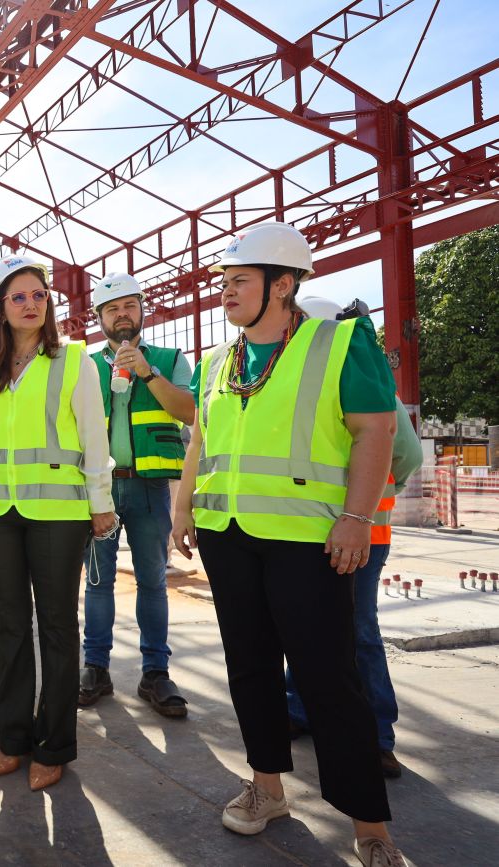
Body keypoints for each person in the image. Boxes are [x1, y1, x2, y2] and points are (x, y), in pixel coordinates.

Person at [171, 222, 411, 866]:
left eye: (239, 281)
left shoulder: (340, 343)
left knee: (329, 677)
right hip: (228, 536)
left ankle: (370, 827)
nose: (225, 292)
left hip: (309, 540)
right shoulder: (218, 362)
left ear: (282, 285)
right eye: (224, 282)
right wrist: (183, 505)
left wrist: (356, 517)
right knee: (249, 667)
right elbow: (202, 440)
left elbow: (376, 430)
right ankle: (267, 789)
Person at [0, 254, 116, 792]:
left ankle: (55, 745)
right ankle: (13, 739)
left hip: (59, 513)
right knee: (10, 626)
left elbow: (94, 434)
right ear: (0, 308)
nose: (31, 304)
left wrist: (100, 501)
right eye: (19, 296)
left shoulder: (74, 361)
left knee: (57, 626)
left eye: (39, 295)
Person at [286, 296, 424, 779]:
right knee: (306, 624)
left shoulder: (364, 381)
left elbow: (405, 455)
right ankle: (299, 709)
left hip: (362, 533)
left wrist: (366, 505)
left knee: (357, 631)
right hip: (306, 529)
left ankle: (378, 735)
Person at [80, 273, 195, 717]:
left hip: (149, 488)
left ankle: (155, 673)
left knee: (152, 581)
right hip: (101, 488)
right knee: (98, 583)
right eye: (112, 309)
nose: (122, 315)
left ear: (143, 310)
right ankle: (95, 667)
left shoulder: (170, 359)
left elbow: (189, 412)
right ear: (100, 318)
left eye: (129, 305)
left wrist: (147, 372)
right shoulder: (85, 366)